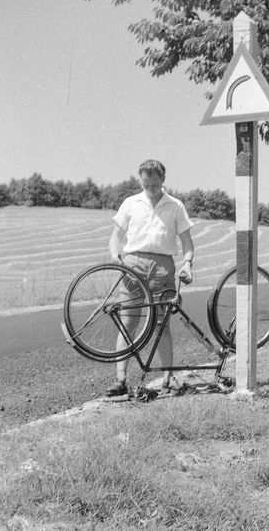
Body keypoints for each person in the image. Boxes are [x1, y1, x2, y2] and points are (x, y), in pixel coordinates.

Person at [105, 159, 194, 397]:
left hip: (162, 268)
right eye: (146, 184)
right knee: (128, 323)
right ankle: (121, 380)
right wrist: (115, 254)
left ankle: (167, 378)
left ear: (163, 180)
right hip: (133, 266)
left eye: (155, 184)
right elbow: (115, 237)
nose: (151, 188)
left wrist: (187, 264)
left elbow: (187, 242)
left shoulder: (175, 206)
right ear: (140, 180)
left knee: (160, 325)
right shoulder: (131, 203)